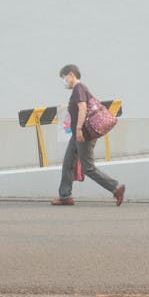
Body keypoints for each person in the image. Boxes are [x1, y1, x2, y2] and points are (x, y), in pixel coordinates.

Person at [52, 65, 125, 206]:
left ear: (71, 74)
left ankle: (115, 188)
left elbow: (83, 108)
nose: (64, 81)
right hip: (77, 135)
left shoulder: (79, 88)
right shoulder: (78, 90)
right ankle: (65, 196)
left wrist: (79, 129)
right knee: (68, 163)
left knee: (88, 168)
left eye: (64, 77)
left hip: (83, 134)